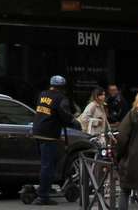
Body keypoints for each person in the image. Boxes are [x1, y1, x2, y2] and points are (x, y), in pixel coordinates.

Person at [33, 75, 77, 205]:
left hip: (38, 131)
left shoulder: (42, 94)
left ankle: (47, 187)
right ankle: (43, 196)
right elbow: (65, 114)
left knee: (47, 163)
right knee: (48, 166)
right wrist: (74, 122)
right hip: (49, 134)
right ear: (63, 87)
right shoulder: (61, 98)